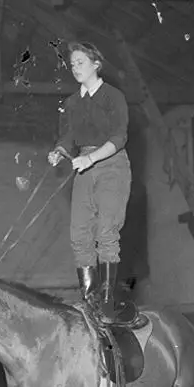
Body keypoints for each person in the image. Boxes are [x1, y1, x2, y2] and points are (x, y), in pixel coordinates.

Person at [48, 41, 137, 326]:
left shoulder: (114, 96)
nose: (75, 68)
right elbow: (68, 137)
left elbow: (120, 136)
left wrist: (92, 159)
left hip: (111, 163)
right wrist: (59, 152)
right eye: (72, 64)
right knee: (79, 235)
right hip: (83, 166)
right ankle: (89, 302)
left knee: (106, 233)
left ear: (96, 64)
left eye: (80, 63)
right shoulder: (72, 103)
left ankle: (108, 304)